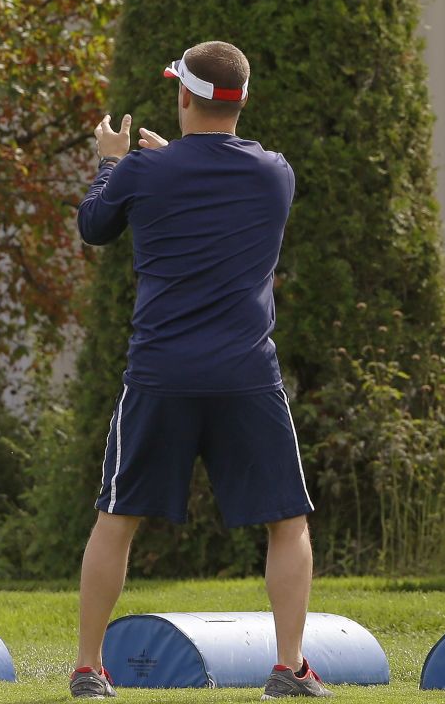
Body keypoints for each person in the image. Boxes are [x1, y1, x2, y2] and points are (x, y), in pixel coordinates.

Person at [68, 41, 332, 700]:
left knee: (117, 515)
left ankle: (89, 669)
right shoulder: (277, 173)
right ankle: (289, 667)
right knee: (288, 522)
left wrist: (110, 164)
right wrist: (161, 165)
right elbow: (214, 188)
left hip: (161, 372)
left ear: (184, 97)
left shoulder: (140, 172)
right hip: (247, 374)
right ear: (241, 101)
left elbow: (94, 226)